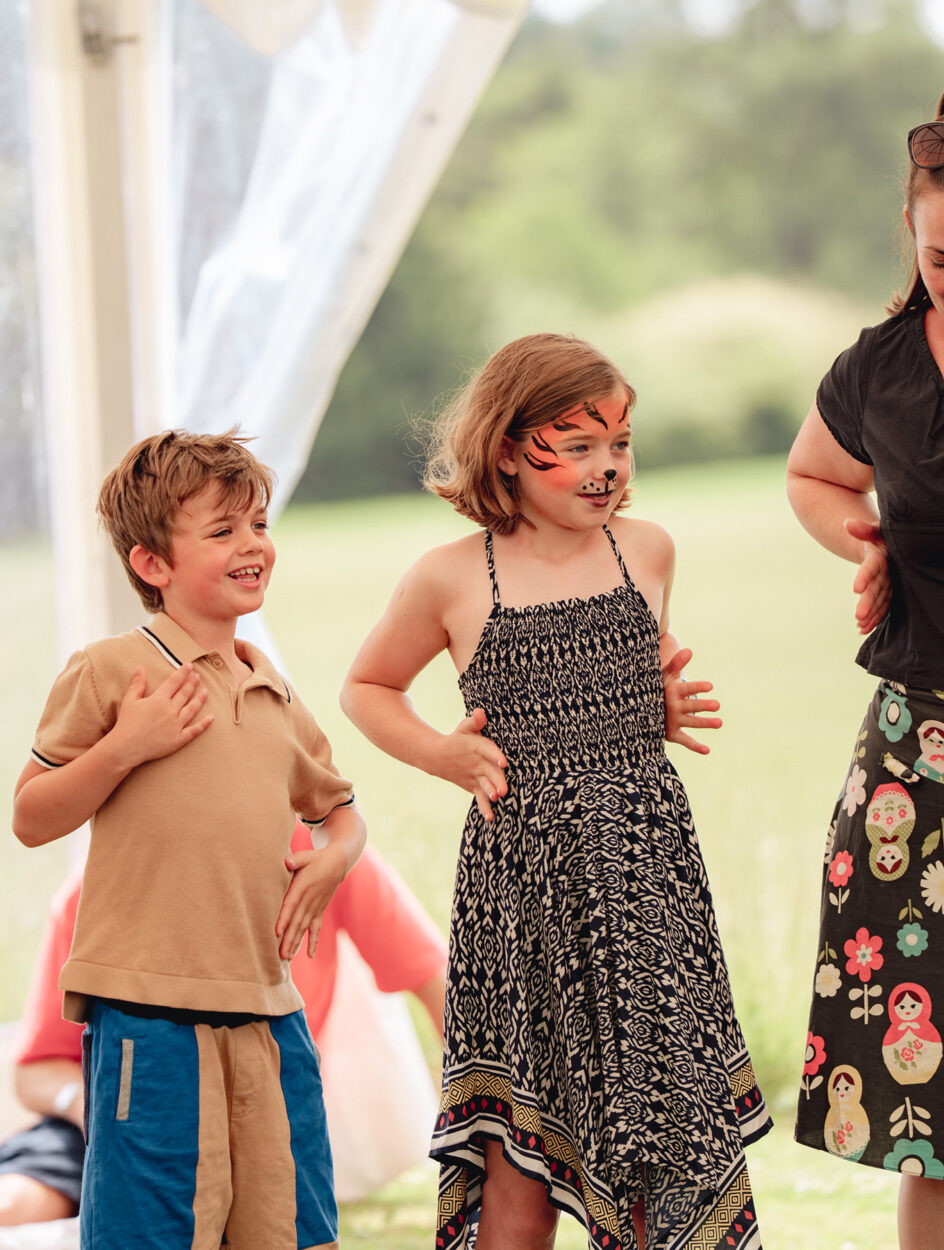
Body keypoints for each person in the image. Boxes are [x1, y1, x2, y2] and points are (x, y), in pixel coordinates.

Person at [340, 333, 771, 1250]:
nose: (605, 467)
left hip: (644, 881)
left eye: (619, 444)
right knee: (520, 1152)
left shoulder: (646, 552)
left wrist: (655, 705)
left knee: (659, 1126)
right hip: (526, 892)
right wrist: (442, 754)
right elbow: (367, 688)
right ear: (506, 451)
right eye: (576, 447)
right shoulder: (451, 575)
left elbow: (635, 669)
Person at [10, 429, 365, 1250]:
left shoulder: (274, 691)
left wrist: (333, 861)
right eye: (223, 530)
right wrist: (124, 747)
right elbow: (31, 815)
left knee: (292, 1226)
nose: (253, 545)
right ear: (153, 564)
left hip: (270, 1013)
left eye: (260, 525)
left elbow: (340, 812)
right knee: (153, 1230)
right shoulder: (110, 671)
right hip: (150, 1017)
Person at [0, 829, 447, 1227]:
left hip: (259, 1122)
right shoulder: (91, 890)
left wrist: (472, 1115)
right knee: (5, 1208)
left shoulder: (321, 855)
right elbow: (35, 1072)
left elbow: (436, 982)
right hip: (113, 1119)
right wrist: (91, 1113)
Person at [790, 93, 944, 1249]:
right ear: (911, 226)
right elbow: (813, 474)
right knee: (922, 1097)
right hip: (914, 761)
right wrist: (868, 542)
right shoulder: (878, 367)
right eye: (941, 255)